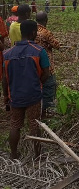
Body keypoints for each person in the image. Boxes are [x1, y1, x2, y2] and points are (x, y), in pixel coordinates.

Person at [2, 20, 50, 159]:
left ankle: (14, 154)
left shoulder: (7, 54)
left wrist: (6, 96)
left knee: (15, 125)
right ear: (33, 33)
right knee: (34, 124)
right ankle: (38, 155)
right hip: (33, 95)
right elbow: (46, 73)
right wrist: (37, 84)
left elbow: (5, 79)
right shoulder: (39, 51)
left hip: (15, 96)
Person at [35, 11, 60, 116]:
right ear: (46, 20)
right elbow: (56, 45)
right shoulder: (45, 32)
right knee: (49, 87)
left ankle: (39, 111)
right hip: (47, 66)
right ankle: (46, 113)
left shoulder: (32, 30)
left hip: (36, 64)